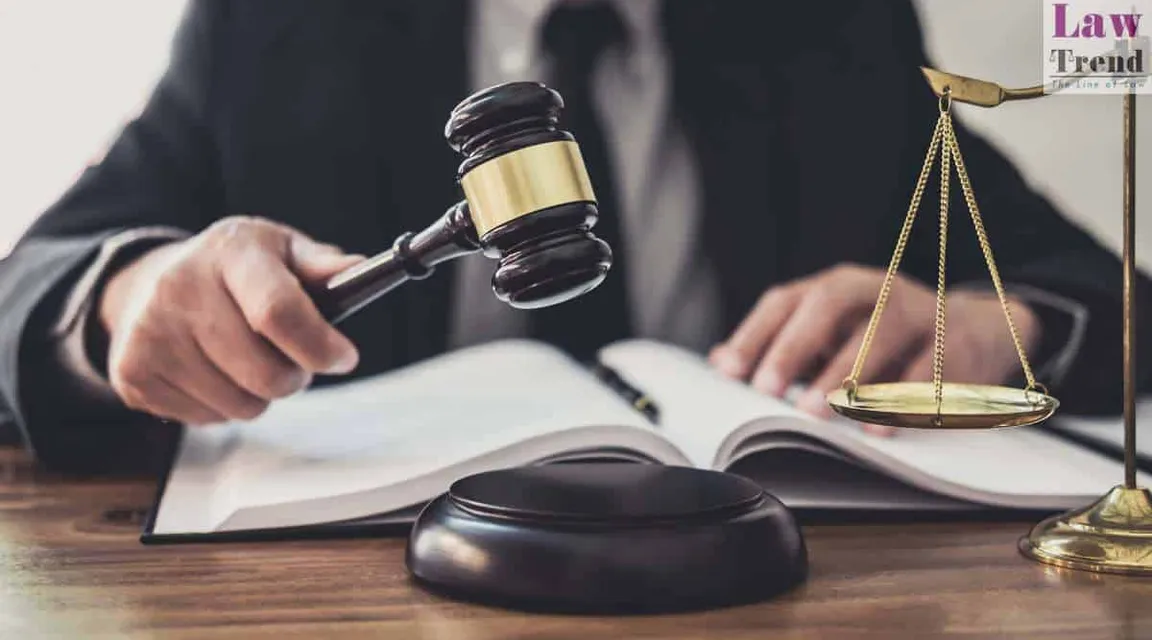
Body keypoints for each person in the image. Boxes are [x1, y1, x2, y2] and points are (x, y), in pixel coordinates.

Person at [0, 0, 1143, 474]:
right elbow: (33, 286)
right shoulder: (276, 24)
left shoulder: (828, 28)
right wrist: (123, 297)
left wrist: (1000, 327)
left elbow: (1114, 287)